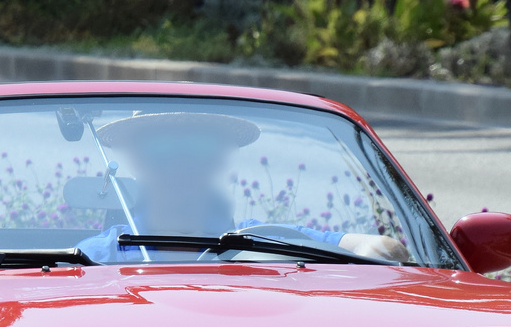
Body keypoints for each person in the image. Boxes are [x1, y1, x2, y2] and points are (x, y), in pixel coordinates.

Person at [74, 111, 410, 263]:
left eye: (199, 148)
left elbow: (381, 247)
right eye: (162, 149)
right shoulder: (96, 257)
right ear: (137, 159)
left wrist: (376, 258)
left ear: (219, 158)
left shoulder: (264, 241)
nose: (181, 163)